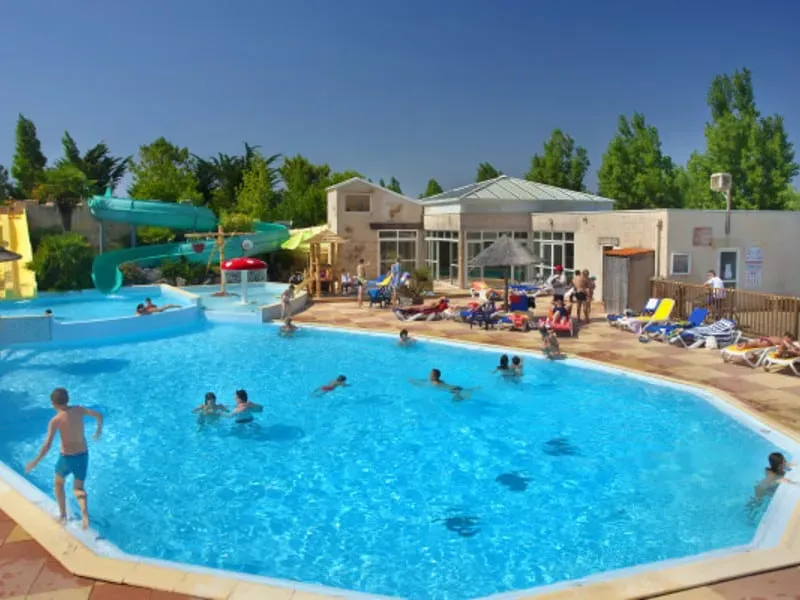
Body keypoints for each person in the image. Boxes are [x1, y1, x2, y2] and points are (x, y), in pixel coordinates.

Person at [25, 388, 103, 530]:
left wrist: (35, 462)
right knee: (79, 488)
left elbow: (47, 445)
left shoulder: (56, 420)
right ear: (67, 400)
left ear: (53, 404)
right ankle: (84, 512)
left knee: (59, 484)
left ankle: (63, 515)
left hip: (66, 458)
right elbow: (99, 415)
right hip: (83, 455)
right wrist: (98, 431)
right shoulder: (79, 410)